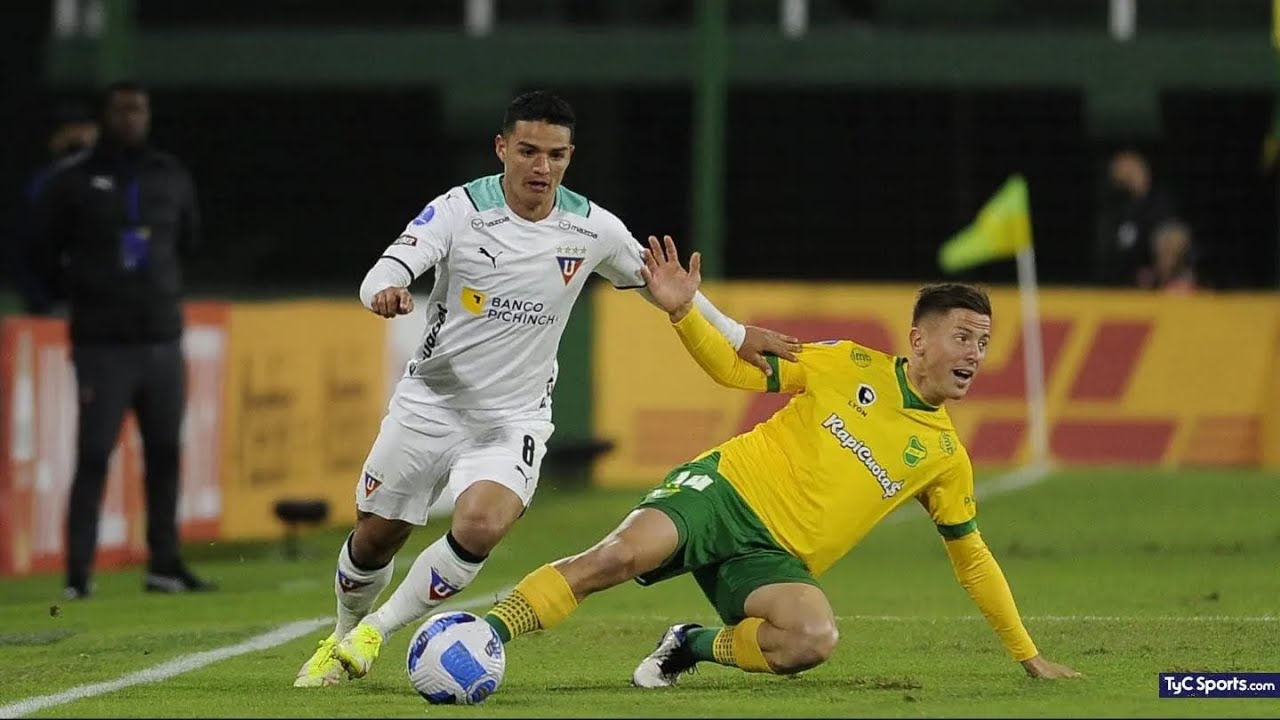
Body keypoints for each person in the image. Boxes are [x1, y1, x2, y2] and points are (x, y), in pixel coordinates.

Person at [293, 90, 799, 687]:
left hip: (514, 419)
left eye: (556, 155)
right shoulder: (459, 211)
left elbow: (666, 283)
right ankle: (344, 632)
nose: (542, 167)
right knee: (375, 538)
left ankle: (376, 630)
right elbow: (386, 269)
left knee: (480, 524)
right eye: (529, 151)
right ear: (502, 148)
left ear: (570, 156)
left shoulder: (591, 228)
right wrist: (387, 290)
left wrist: (735, 333)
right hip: (429, 404)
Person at [482, 236, 1082, 686]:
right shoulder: (846, 362)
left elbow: (972, 559)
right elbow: (732, 369)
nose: (975, 353)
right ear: (920, 340)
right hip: (722, 493)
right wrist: (682, 312)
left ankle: (689, 645)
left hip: (772, 559)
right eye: (963, 337)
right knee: (615, 558)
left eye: (983, 341)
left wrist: (1027, 656)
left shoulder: (945, 459)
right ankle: (484, 636)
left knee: (810, 640)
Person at [27, 80, 210, 599]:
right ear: (107, 115)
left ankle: (165, 566)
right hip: (102, 344)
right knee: (92, 454)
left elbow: (190, 239)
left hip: (161, 340)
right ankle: (78, 575)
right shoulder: (73, 181)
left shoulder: (169, 176)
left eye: (138, 109)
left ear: (148, 116)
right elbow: (39, 249)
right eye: (121, 109)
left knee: (165, 453)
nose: (130, 117)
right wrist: (77, 294)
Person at [10, 100, 99, 314]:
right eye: (68, 130)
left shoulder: (120, 179)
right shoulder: (43, 182)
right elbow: (29, 247)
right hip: (58, 299)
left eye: (81, 129)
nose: (76, 135)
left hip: (105, 297)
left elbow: (135, 231)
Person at [1094, 149, 1176, 287]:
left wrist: (1155, 273)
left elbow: (1170, 241)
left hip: (1156, 287)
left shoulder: (1161, 203)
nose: (1117, 173)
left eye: (1126, 168)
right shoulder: (1114, 208)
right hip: (1115, 287)